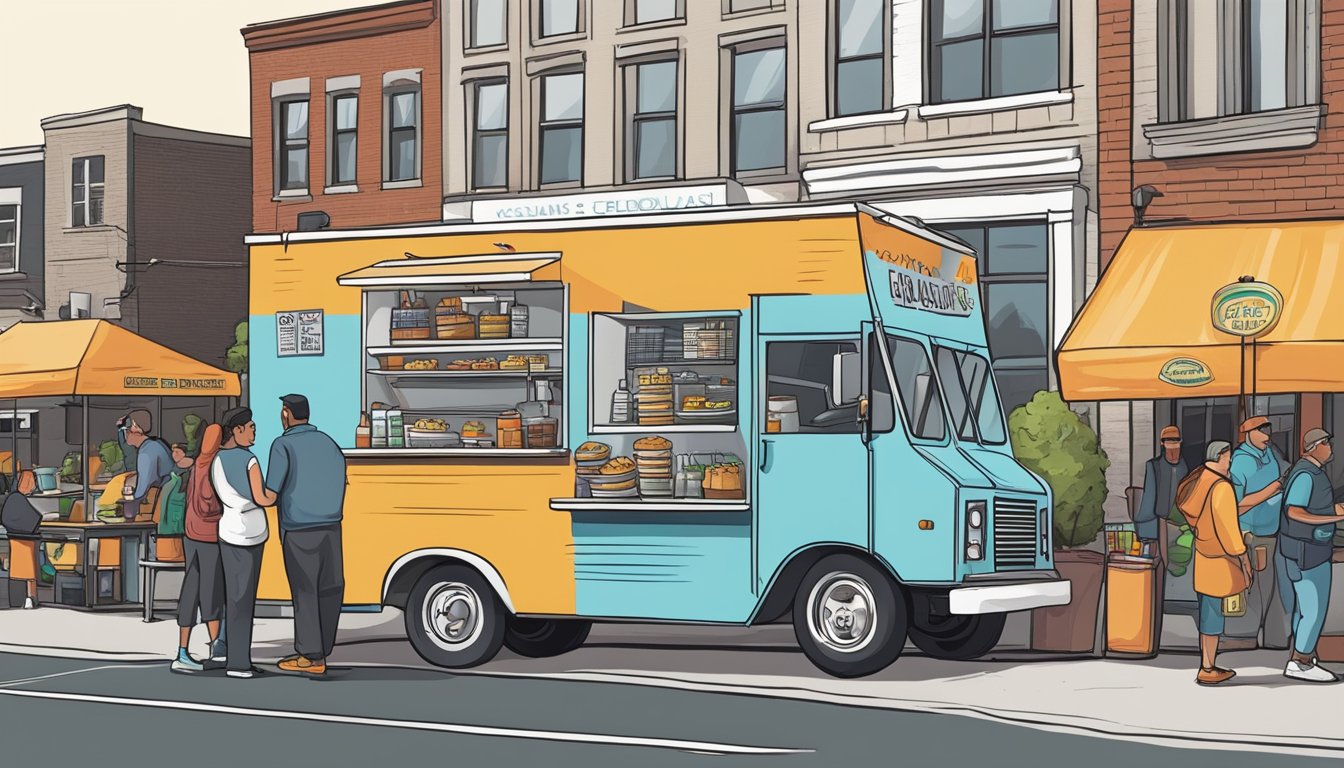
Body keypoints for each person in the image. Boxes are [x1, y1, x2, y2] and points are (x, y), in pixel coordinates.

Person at [256, 394, 347, 678]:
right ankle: (323, 649)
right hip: (331, 527)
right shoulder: (329, 443)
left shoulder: (283, 445)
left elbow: (270, 495)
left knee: (305, 591)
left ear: (286, 413)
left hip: (299, 529)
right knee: (330, 588)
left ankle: (311, 656)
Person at [1176, 440, 1252, 686]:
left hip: (1203, 556)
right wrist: (1243, 556)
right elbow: (1229, 530)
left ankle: (1207, 664)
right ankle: (1207, 668)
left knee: (1208, 612)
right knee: (1214, 616)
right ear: (1220, 456)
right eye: (1229, 457)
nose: (1230, 461)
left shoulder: (1198, 480)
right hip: (1221, 559)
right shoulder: (1221, 487)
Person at [1279, 428, 1344, 683]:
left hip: (1302, 549)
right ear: (1313, 447)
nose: (1330, 447)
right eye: (1326, 443)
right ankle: (1301, 661)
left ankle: (1303, 655)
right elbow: (1294, 511)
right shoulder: (1306, 474)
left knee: (1304, 609)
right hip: (1307, 551)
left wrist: (1333, 509)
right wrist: (1336, 516)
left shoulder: (1311, 472)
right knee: (1313, 609)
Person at [213, 408, 270, 679]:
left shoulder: (217, 460)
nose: (254, 432)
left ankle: (230, 654)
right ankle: (239, 663)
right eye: (250, 427)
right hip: (250, 533)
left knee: (234, 597)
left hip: (228, 530)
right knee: (244, 600)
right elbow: (262, 497)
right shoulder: (249, 460)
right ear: (236, 430)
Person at [1228, 415, 1292, 650]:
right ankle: (1248, 636)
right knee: (1256, 585)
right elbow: (1236, 504)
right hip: (1252, 534)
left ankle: (1273, 637)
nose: (1267, 436)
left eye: (1268, 430)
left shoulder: (1270, 453)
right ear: (1249, 433)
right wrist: (1273, 489)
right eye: (1262, 431)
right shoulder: (1241, 462)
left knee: (1270, 585)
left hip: (1271, 531)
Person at [171, 426, 226, 673]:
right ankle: (217, 648)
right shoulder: (210, 466)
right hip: (208, 536)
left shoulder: (197, 465)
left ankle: (183, 651)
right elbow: (208, 506)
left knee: (191, 591)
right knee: (211, 592)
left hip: (190, 534)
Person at [1136, 426, 1189, 544]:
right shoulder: (1154, 466)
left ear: (1180, 443)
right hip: (1160, 519)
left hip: (1182, 520)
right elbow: (1149, 496)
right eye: (1169, 443)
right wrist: (1144, 525)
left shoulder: (1186, 466)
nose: (1173, 449)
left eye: (1175, 443)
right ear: (1162, 444)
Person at [118, 409, 173, 510]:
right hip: (166, 496)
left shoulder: (146, 454)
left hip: (162, 501)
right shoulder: (156, 444)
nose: (125, 435)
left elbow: (142, 490)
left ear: (136, 428)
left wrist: (129, 501)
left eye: (126, 431)